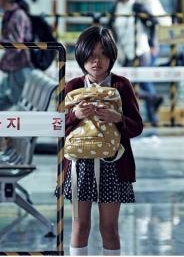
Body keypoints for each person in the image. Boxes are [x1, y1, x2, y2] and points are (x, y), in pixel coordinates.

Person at [61, 26, 143, 255]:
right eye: (91, 54)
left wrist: (117, 119)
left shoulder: (121, 85)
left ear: (112, 56)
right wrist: (75, 116)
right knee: (80, 225)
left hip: (113, 163)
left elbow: (137, 127)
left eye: (103, 54)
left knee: (109, 227)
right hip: (79, 165)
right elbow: (58, 127)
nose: (97, 61)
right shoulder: (73, 86)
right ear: (81, 56)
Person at [109, 0, 163, 126]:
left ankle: (152, 118)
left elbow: (154, 23)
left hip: (140, 49)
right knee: (126, 86)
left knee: (143, 82)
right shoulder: (117, 6)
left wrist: (153, 44)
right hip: (124, 50)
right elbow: (110, 25)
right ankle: (153, 99)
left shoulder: (138, 6)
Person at [0, 0, 34, 110]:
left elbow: (15, 46)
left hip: (19, 71)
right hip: (15, 71)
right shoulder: (11, 15)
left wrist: (1, 62)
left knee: (21, 112)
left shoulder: (16, 16)